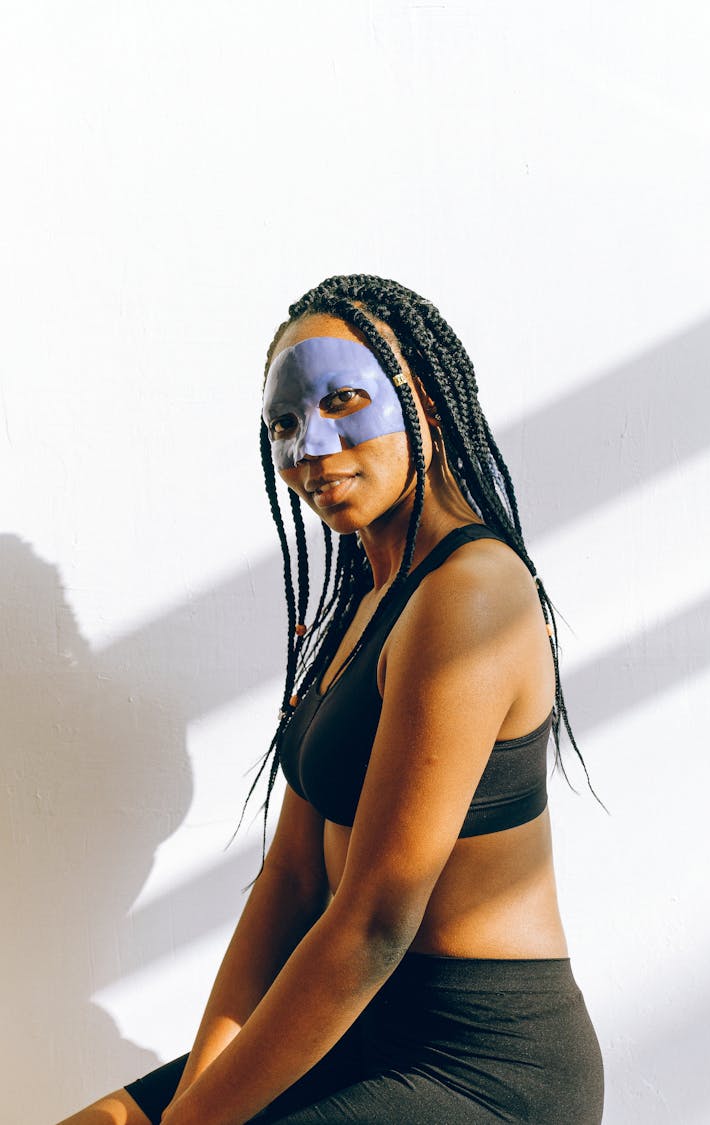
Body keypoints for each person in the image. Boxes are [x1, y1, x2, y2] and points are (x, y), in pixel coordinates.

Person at [58, 274, 605, 1124]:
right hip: (355, 1030)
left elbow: (375, 922)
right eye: (283, 425)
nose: (310, 447)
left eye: (343, 401)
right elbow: (290, 875)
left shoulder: (470, 593)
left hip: (480, 1070)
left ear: (419, 396)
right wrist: (200, 1084)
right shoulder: (364, 605)